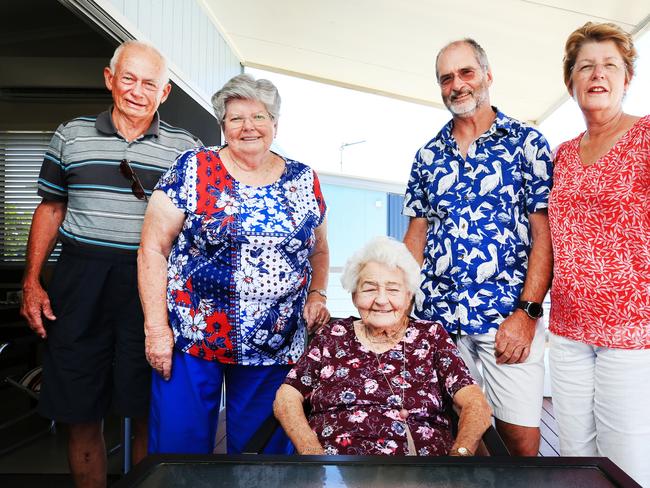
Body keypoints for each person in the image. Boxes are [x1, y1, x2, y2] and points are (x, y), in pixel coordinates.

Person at [20, 40, 200, 487]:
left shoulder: (186, 149)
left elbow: (201, 227)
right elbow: (51, 209)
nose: (137, 91)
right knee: (80, 409)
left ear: (165, 93)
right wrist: (31, 282)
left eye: (149, 84)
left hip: (150, 285)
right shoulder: (71, 135)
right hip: (79, 281)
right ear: (109, 79)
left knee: (146, 409)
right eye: (129, 79)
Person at [139, 73, 330, 455]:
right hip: (192, 338)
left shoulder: (303, 179)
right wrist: (157, 329)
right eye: (236, 118)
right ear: (222, 125)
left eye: (259, 117)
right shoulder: (193, 168)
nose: (249, 127)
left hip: (274, 344)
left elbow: (320, 250)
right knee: (180, 451)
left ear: (275, 123)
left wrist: (317, 292)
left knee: (263, 457)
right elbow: (152, 249)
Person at [402, 38, 553, 456]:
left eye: (466, 72)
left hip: (507, 316)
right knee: (458, 433)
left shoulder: (528, 144)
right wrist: (402, 306)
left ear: (487, 75)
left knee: (518, 436)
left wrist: (528, 313)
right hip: (440, 319)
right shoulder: (428, 155)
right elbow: (416, 235)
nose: (457, 84)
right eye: (446, 78)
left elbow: (545, 235)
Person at [274, 236, 492, 456]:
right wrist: (311, 452)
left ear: (408, 297)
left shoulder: (432, 336)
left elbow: (475, 403)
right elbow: (287, 398)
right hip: (335, 470)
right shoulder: (333, 335)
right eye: (369, 289)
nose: (381, 300)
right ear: (353, 296)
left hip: (420, 473)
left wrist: (460, 456)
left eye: (393, 289)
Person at [548, 22, 650, 487]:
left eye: (609, 65)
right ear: (571, 82)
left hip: (629, 333)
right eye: (585, 66)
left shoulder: (646, 137)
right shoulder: (563, 155)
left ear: (627, 77)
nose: (597, 74)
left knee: (625, 461)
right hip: (568, 329)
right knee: (575, 459)